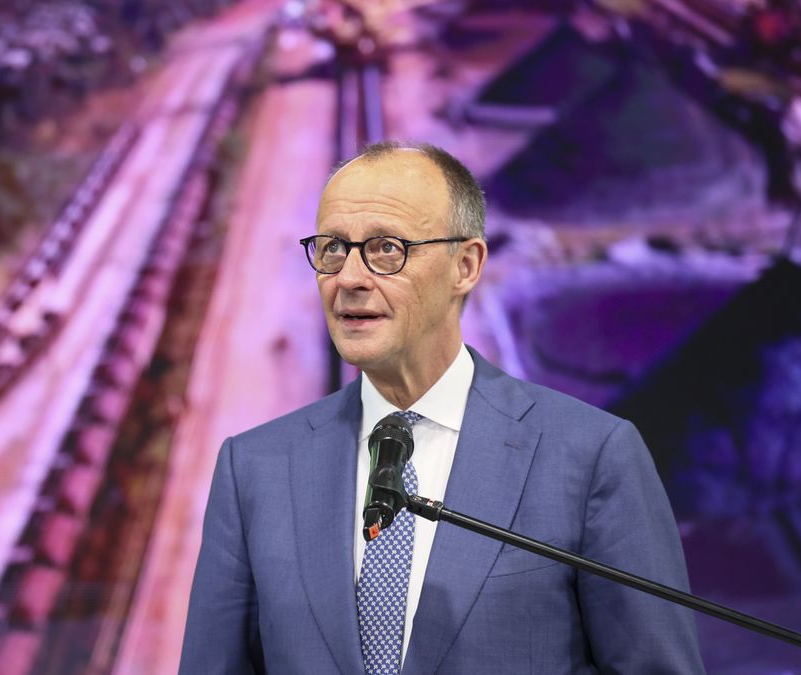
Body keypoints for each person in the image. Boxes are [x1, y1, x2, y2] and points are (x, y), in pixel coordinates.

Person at [180, 142, 703, 673]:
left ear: (466, 266)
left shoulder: (590, 457)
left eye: (387, 248)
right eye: (333, 248)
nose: (349, 278)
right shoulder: (255, 469)